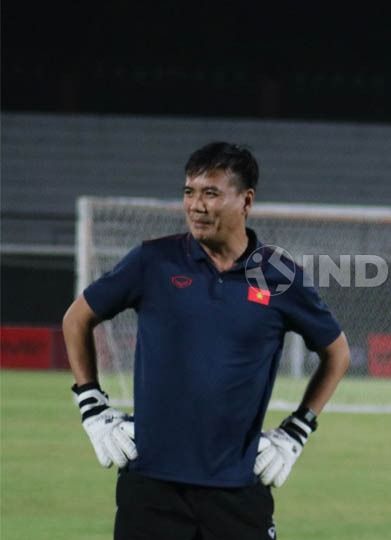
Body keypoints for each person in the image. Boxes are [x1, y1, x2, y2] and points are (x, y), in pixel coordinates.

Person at [63, 142, 351, 539]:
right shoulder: (152, 261)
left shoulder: (278, 275)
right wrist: (91, 404)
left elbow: (336, 353)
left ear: (245, 200)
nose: (196, 205)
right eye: (189, 192)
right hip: (151, 489)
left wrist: (297, 430)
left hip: (238, 492)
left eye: (211, 193)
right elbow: (77, 318)